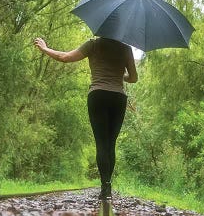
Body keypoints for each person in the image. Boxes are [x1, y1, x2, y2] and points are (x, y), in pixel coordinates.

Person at [33, 36, 138, 199]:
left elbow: (65, 57)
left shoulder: (93, 44)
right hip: (118, 98)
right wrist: (118, 75)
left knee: (101, 143)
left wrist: (45, 49)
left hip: (98, 96)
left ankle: (106, 188)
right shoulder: (126, 48)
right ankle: (108, 184)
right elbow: (133, 78)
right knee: (111, 144)